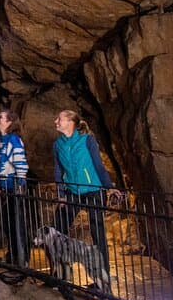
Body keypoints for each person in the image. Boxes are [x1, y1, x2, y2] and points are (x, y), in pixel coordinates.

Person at [52, 109, 123, 273]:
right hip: (71, 192)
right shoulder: (57, 144)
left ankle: (102, 278)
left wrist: (109, 188)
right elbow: (58, 170)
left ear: (70, 122)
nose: (56, 121)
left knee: (97, 234)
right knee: (57, 229)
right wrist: (61, 195)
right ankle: (63, 272)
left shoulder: (87, 140)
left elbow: (99, 165)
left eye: (59, 119)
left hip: (92, 191)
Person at [0, 109, 29, 266]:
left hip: (13, 185)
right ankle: (13, 255)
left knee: (17, 223)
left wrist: (20, 182)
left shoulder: (14, 140)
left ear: (9, 122)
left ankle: (22, 259)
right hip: (5, 186)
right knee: (8, 223)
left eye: (1, 117)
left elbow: (20, 163)